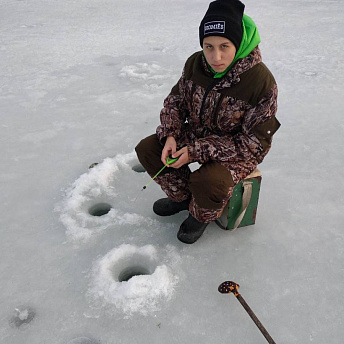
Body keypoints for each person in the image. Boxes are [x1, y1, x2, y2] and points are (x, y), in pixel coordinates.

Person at [135, 0, 280, 244]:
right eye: (208, 46)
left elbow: (255, 144)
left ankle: (200, 215)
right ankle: (182, 198)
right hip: (197, 135)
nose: (216, 56)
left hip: (238, 151)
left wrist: (195, 151)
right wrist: (171, 134)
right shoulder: (195, 64)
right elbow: (176, 101)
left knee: (209, 182)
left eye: (225, 46)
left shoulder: (261, 82)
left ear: (239, 42)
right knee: (149, 149)